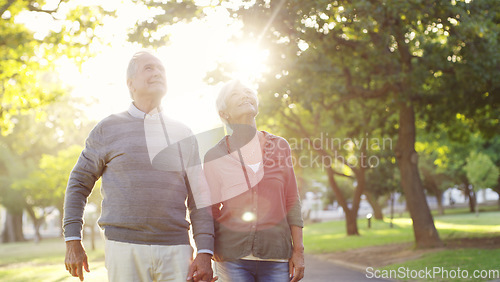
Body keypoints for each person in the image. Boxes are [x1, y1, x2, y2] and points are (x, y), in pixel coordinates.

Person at [63, 51, 215, 282]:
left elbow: (200, 197)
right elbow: (78, 184)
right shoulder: (107, 128)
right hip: (123, 248)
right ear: (130, 83)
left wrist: (204, 252)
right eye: (149, 68)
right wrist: (73, 239)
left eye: (161, 69)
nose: (157, 73)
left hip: (176, 249)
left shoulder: (184, 133)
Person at [203, 80, 305, 282]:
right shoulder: (214, 156)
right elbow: (209, 210)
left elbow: (292, 200)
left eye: (248, 92)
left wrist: (299, 251)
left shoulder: (280, 146)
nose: (245, 95)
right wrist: (205, 255)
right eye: (235, 94)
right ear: (224, 114)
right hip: (231, 257)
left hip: (277, 256)